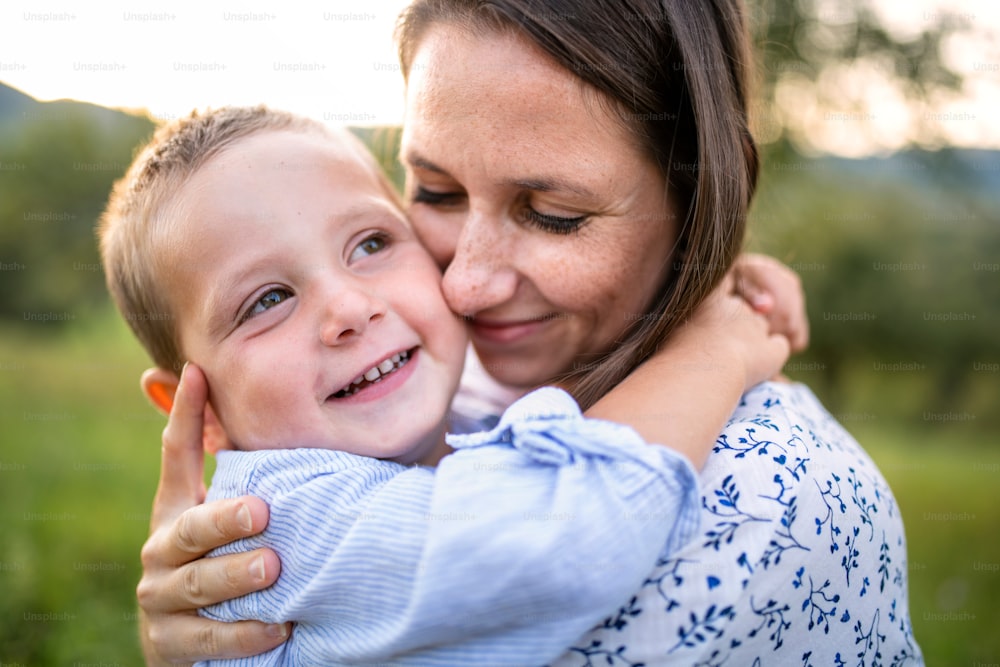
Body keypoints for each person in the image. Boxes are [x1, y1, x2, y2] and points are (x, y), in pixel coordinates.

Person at [135, 0, 923, 664]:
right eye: (436, 190)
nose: (464, 285)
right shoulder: (309, 498)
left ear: (695, 199)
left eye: (556, 215)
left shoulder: (767, 511)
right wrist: (715, 343)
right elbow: (556, 532)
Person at [101, 106, 790, 665]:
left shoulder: (439, 402)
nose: (348, 309)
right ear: (199, 413)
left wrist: (708, 281)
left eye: (371, 243)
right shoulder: (280, 529)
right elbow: (566, 537)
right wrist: (712, 350)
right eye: (267, 299)